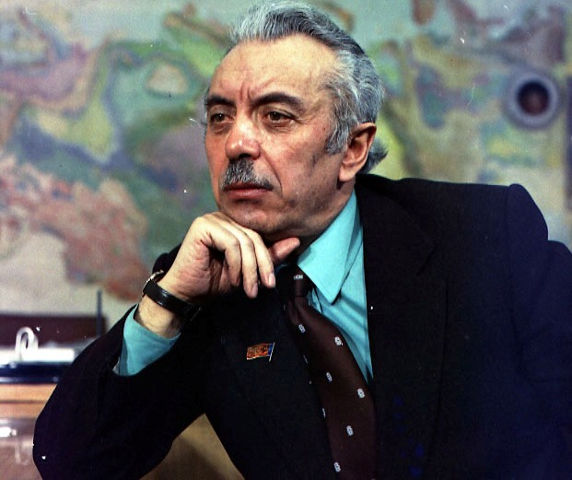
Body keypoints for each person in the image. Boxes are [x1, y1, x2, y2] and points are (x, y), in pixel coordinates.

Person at [33, 1, 572, 479]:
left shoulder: (484, 235)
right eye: (220, 117)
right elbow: (71, 463)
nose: (237, 142)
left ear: (353, 150)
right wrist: (164, 302)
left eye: (276, 116)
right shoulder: (203, 282)